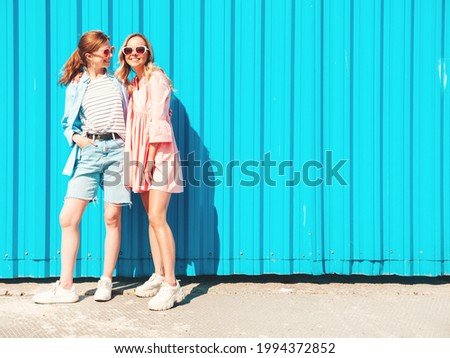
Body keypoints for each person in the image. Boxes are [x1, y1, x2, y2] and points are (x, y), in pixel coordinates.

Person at [33, 30, 131, 304]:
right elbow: (68, 124)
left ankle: (106, 281)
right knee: (68, 217)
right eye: (106, 52)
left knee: (112, 218)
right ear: (89, 56)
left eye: (112, 50)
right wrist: (80, 140)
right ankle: (66, 287)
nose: (111, 55)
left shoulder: (120, 81)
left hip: (117, 152)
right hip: (89, 153)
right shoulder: (77, 84)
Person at [116, 33, 184, 310]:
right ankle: (158, 275)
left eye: (139, 49)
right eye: (129, 49)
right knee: (151, 218)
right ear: (123, 54)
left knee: (158, 216)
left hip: (158, 155)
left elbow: (157, 121)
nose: (134, 53)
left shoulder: (156, 79)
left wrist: (149, 160)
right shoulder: (135, 83)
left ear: (148, 52)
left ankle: (171, 285)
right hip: (139, 156)